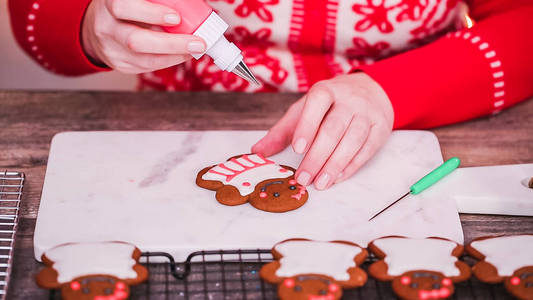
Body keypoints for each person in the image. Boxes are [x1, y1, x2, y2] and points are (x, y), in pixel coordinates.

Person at [8, 0, 533, 190]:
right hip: (170, 132)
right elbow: (34, 13)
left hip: (411, 129)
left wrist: (394, 89)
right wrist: (89, 25)